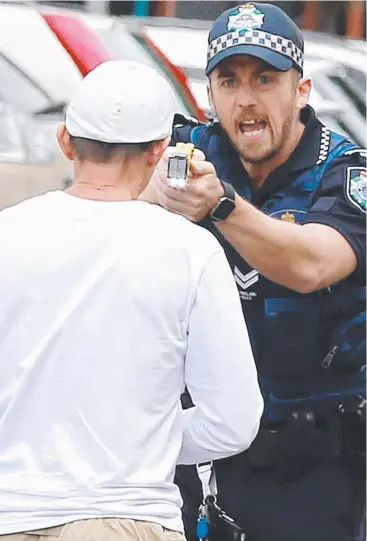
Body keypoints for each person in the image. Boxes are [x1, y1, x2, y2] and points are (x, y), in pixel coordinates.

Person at [0, 60, 264, 541]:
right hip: (128, 516)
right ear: (160, 151)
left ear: (65, 141)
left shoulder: (6, 233)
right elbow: (235, 420)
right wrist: (145, 438)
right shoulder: (190, 249)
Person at [143, 4, 367, 541]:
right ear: (210, 94)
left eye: (265, 79)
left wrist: (222, 206)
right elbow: (106, 225)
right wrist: (152, 192)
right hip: (195, 454)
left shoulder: (344, 169)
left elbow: (313, 264)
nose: (246, 98)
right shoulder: (188, 156)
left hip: (312, 467)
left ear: (301, 90)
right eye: (229, 81)